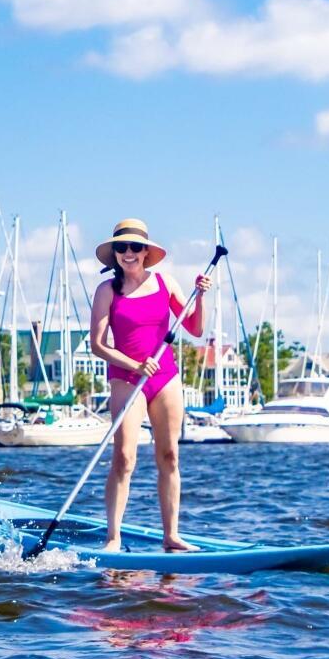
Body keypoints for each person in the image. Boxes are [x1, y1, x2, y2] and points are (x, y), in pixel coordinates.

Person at [88, 218, 211, 553]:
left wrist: (199, 297)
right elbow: (97, 345)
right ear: (114, 254)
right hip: (127, 378)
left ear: (146, 252)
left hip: (164, 377)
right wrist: (134, 364)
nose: (129, 253)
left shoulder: (165, 282)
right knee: (124, 457)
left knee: (169, 455)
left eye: (135, 247)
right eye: (122, 248)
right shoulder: (107, 291)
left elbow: (196, 329)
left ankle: (171, 535)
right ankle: (113, 538)